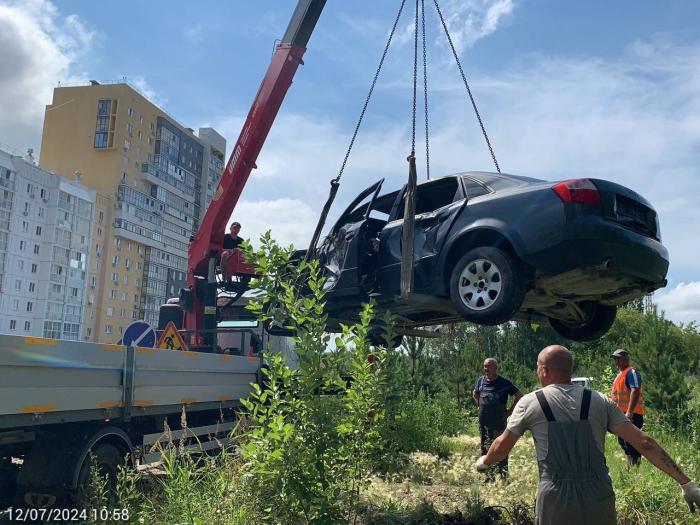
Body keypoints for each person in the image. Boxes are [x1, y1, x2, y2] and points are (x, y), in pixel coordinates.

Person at [473, 345, 700, 525]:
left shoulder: (530, 402)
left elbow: (502, 447)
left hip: (555, 497)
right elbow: (644, 442)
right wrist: (687, 484)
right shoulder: (600, 400)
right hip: (598, 495)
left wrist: (485, 461)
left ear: (543, 370)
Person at [472, 358, 523, 480]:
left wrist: (510, 412)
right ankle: (489, 476)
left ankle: (503, 475)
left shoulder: (503, 383)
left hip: (498, 422)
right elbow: (475, 393)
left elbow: (519, 395)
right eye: (485, 366)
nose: (486, 369)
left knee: (501, 447)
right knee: (485, 446)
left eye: (489, 366)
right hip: (484, 421)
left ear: (495, 368)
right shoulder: (480, 381)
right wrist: (478, 402)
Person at [611, 348, 644, 466]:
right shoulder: (620, 375)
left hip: (631, 415)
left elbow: (635, 391)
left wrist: (629, 413)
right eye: (615, 359)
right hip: (620, 415)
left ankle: (636, 468)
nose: (616, 361)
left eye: (619, 358)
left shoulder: (631, 372)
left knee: (632, 442)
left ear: (626, 358)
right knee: (623, 442)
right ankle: (630, 466)